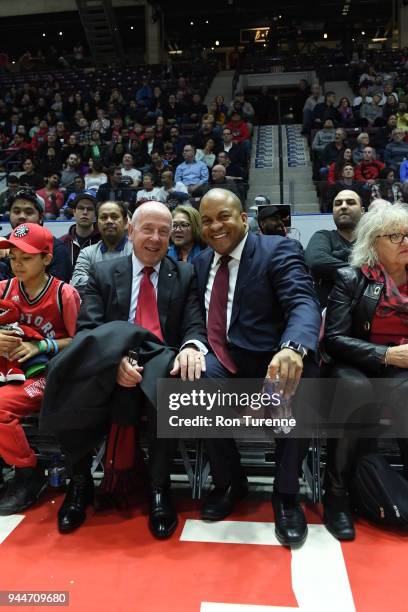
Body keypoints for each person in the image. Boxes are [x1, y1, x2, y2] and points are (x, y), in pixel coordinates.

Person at [43, 201, 207, 538]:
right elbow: (87, 330)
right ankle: (80, 482)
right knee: (71, 374)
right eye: (148, 229)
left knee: (167, 385)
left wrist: (191, 347)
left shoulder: (186, 274)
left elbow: (193, 325)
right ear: (131, 230)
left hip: (160, 357)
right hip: (112, 357)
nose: (156, 238)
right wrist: (111, 363)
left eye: (164, 231)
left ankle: (159, 488)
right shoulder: (103, 273)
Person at [194, 189, 321, 546]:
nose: (215, 226)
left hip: (269, 361)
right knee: (195, 379)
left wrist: (292, 347)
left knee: (299, 379)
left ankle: (285, 495)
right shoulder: (202, 262)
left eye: (223, 216)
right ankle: (230, 481)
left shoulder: (277, 249)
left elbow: (302, 302)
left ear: (244, 219)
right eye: (206, 220)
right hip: (223, 362)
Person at [322, 202, 408, 540]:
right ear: (373, 243)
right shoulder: (351, 278)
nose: (405, 241)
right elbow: (335, 339)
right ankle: (337, 493)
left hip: (400, 370)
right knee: (354, 389)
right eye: (395, 236)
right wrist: (387, 354)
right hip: (353, 364)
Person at [0, 223, 80, 515]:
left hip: (47, 375)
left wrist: (41, 347)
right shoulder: (3, 289)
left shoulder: (64, 294)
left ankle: (28, 473)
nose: (17, 264)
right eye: (12, 257)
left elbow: (81, 341)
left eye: (26, 257)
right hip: (6, 371)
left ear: (46, 258)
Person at [305, 189, 365, 307]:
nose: (343, 206)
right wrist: (364, 271)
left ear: (362, 211)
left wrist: (338, 255)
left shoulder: (371, 240)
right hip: (327, 314)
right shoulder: (323, 236)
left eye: (350, 202)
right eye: (338, 204)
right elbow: (316, 262)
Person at [1, 189, 72, 283]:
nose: (21, 216)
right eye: (16, 212)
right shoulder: (3, 244)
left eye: (29, 212)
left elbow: (55, 291)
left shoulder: (57, 250)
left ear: (41, 217)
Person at [71, 200, 133, 297]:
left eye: (115, 217)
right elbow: (77, 284)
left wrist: (96, 282)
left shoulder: (136, 251)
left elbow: (139, 283)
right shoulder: (87, 253)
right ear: (98, 223)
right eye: (104, 217)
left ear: (125, 222)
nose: (109, 221)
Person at [60, 193, 100, 267]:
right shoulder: (62, 243)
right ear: (74, 212)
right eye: (81, 208)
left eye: (90, 209)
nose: (85, 212)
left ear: (95, 214)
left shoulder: (103, 242)